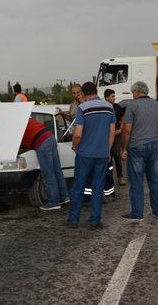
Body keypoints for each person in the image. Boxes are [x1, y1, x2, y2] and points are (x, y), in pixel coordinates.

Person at [67, 82, 116, 230]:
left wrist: (75, 146)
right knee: (97, 187)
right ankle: (94, 221)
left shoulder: (83, 108)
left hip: (85, 154)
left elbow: (78, 133)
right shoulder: (109, 107)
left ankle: (73, 220)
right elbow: (112, 131)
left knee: (78, 187)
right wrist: (107, 150)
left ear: (83, 92)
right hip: (102, 154)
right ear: (96, 91)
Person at [120, 81, 158, 220]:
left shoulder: (132, 105)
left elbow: (127, 130)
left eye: (133, 92)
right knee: (154, 179)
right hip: (154, 145)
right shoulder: (157, 104)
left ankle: (137, 213)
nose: (133, 95)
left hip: (137, 147)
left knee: (136, 181)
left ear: (136, 92)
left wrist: (124, 148)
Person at [20, 118, 70, 210]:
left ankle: (53, 201)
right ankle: (64, 197)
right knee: (57, 170)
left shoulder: (18, 125)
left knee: (48, 173)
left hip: (42, 142)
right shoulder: (30, 119)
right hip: (50, 138)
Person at [104, 89, 126, 185]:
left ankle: (120, 176)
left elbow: (122, 118)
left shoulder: (117, 107)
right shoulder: (103, 107)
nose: (114, 98)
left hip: (117, 136)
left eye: (114, 96)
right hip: (106, 137)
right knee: (108, 158)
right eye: (112, 96)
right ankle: (108, 179)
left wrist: (121, 127)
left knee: (117, 156)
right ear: (106, 98)